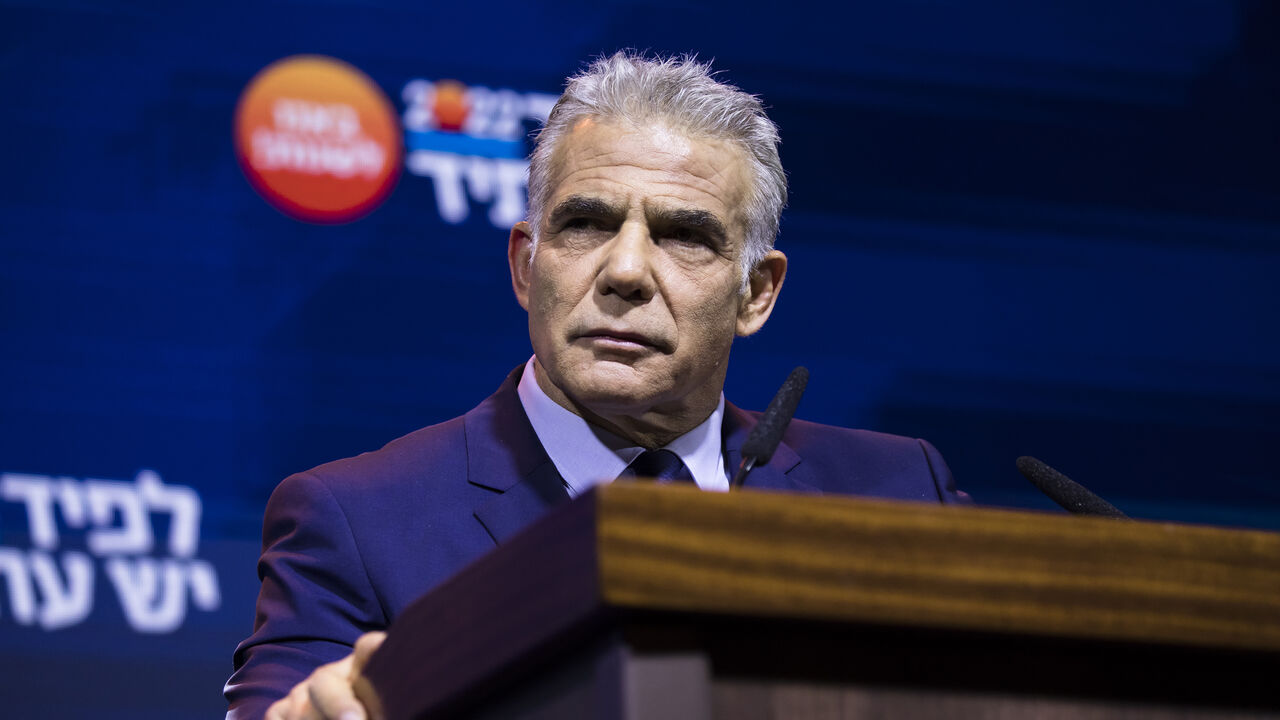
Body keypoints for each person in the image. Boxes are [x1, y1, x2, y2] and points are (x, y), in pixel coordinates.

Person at [225, 51, 969, 720]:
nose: (624, 273)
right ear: (526, 265)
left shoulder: (896, 493)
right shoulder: (359, 521)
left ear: (756, 294)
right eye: (586, 223)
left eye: (684, 235)